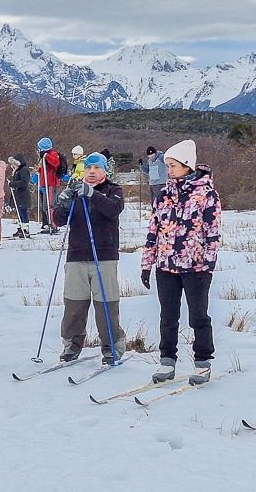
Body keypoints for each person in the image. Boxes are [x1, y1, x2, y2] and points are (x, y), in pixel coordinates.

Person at [141, 139, 221, 384]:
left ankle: (202, 362)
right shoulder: (163, 194)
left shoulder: (206, 194)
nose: (170, 170)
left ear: (187, 166)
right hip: (165, 266)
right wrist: (147, 264)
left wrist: (207, 265)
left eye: (174, 165)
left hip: (195, 267)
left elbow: (213, 232)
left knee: (198, 316)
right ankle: (167, 361)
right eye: (168, 165)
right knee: (168, 316)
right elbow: (153, 231)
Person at [55, 151, 126, 364]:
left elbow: (113, 210)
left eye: (97, 168)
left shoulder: (113, 190)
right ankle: (71, 346)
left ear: (105, 171)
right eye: (88, 168)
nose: (92, 171)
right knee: (74, 305)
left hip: (104, 255)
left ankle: (112, 347)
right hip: (76, 255)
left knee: (105, 305)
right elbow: (58, 220)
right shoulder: (74, 190)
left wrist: (93, 194)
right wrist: (64, 204)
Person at [35, 137, 62, 234]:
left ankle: (54, 225)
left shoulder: (52, 154)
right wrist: (39, 170)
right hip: (46, 183)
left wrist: (46, 156)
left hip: (52, 183)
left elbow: (56, 163)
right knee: (45, 206)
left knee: (51, 205)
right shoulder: (45, 156)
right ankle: (49, 223)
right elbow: (46, 170)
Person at [8, 154, 32, 238]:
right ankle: (21, 228)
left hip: (23, 195)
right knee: (19, 213)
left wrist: (13, 184)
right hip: (18, 195)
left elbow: (24, 182)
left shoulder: (24, 170)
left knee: (23, 212)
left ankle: (25, 230)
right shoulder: (17, 170)